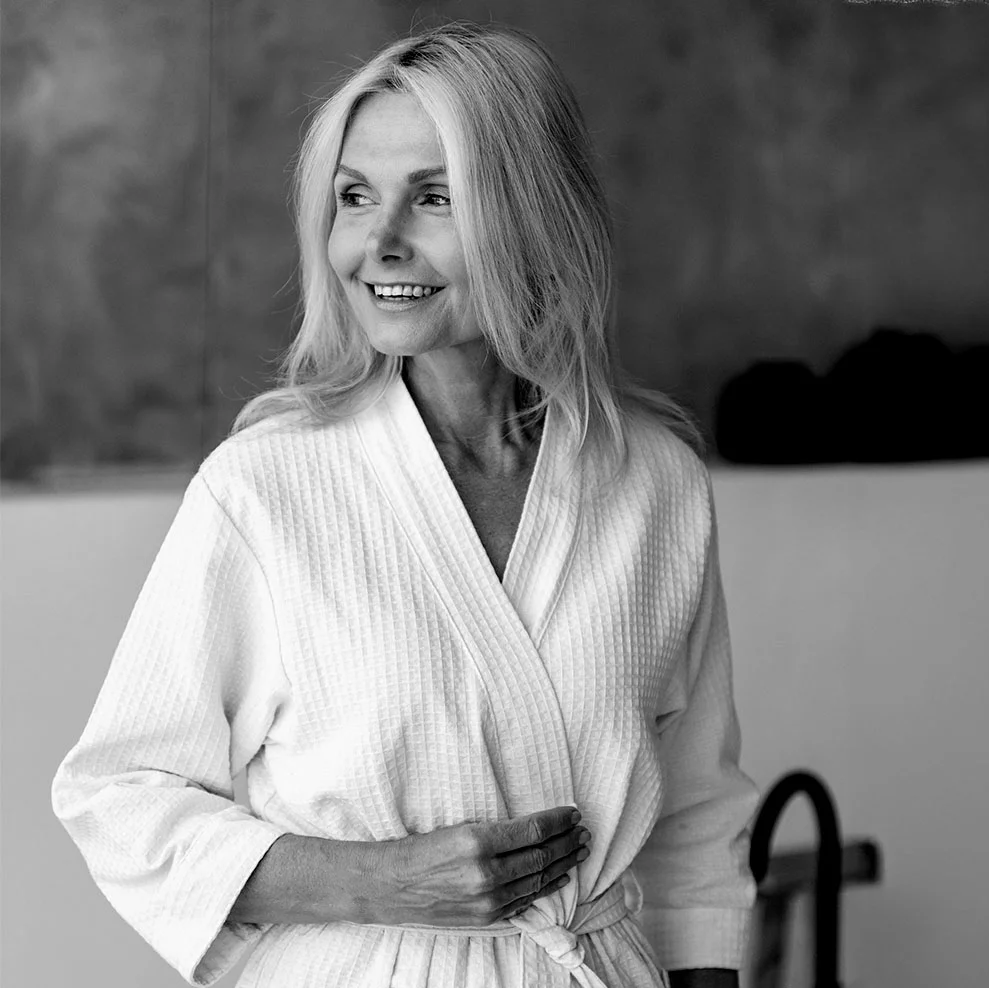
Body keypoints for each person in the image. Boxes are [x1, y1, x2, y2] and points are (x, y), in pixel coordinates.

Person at [50, 21, 759, 988]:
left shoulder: (655, 482)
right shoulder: (265, 488)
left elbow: (697, 817)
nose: (378, 243)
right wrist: (375, 882)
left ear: (533, 214)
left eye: (434, 196)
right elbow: (117, 795)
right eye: (354, 197)